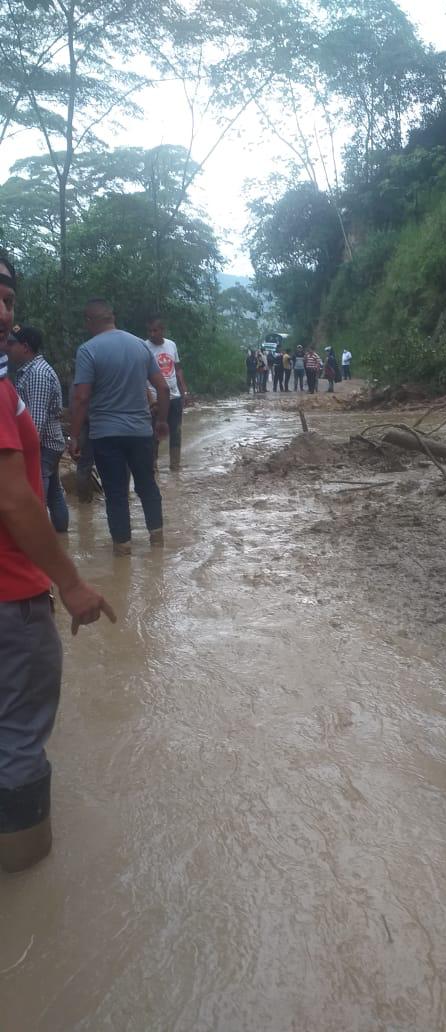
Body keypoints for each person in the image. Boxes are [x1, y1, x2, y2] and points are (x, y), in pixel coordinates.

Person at [0, 257, 116, 873]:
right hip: (10, 595)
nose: (3, 313)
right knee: (18, 734)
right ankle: (26, 876)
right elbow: (13, 499)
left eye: (8, 299)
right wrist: (69, 582)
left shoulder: (18, 379)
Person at [69, 299, 170, 557]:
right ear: (111, 317)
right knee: (147, 485)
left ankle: (122, 550)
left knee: (115, 493)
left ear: (90, 320)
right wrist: (161, 421)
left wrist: (74, 436)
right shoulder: (140, 346)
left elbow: (81, 397)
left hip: (106, 435)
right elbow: (163, 387)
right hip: (140, 432)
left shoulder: (88, 350)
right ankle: (157, 541)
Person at [7, 325, 69, 533]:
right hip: (50, 443)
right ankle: (62, 538)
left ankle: (38, 538)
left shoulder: (37, 374)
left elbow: (36, 421)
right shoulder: (32, 370)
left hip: (43, 445)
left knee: (36, 495)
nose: (8, 348)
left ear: (25, 347)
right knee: (54, 493)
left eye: (12, 344)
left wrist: (22, 452)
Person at [145, 316, 187, 471]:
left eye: (155, 330)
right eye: (150, 331)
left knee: (176, 431)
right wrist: (150, 399)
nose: (152, 334)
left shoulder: (171, 345)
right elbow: (142, 375)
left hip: (174, 396)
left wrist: (184, 390)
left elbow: (178, 369)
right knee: (153, 433)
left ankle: (175, 466)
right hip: (155, 397)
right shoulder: (144, 347)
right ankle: (153, 466)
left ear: (163, 330)